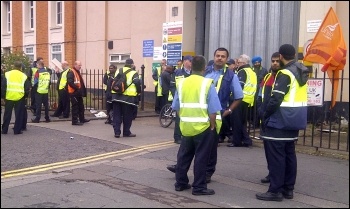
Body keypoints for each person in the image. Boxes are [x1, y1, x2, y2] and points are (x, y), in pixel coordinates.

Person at [167, 48, 243, 184]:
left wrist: (228, 111)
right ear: (213, 57)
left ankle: (206, 173)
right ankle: (187, 174)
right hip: (195, 117)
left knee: (209, 151)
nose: (220, 58)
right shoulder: (204, 72)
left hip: (214, 117)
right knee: (191, 149)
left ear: (227, 59)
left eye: (223, 56)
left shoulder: (231, 76)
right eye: (217, 56)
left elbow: (239, 97)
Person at [256, 44, 309, 201]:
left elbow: (276, 98)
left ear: (280, 56)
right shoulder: (300, 71)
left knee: (276, 157)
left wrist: (265, 115)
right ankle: (288, 189)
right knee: (289, 155)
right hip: (295, 119)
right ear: (294, 54)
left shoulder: (285, 73)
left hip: (280, 120)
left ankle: (275, 191)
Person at [172, 55, 222, 196]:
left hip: (186, 126)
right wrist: (212, 126)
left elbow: (176, 106)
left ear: (191, 66)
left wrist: (184, 118)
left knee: (184, 155)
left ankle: (180, 183)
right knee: (201, 158)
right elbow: (213, 110)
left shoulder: (181, 83)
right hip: (203, 127)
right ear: (204, 67)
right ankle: (199, 187)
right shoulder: (207, 83)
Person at [257, 52, 281, 184]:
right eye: (273, 61)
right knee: (268, 149)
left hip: (275, 118)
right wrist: (260, 109)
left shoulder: (282, 77)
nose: (275, 63)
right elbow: (260, 95)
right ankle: (271, 173)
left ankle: (276, 176)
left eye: (277, 61)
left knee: (275, 151)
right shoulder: (267, 77)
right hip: (265, 117)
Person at [227, 54, 257, 147]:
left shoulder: (242, 71)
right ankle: (246, 140)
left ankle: (237, 141)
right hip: (248, 99)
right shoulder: (251, 71)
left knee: (236, 121)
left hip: (239, 99)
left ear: (243, 63)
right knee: (242, 122)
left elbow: (239, 86)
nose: (237, 64)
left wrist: (232, 97)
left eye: (238, 62)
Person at [111, 58, 141, 138]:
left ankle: (117, 132)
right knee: (127, 116)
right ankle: (126, 132)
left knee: (117, 115)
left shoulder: (119, 70)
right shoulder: (134, 73)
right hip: (128, 98)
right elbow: (137, 83)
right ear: (132, 64)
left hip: (116, 96)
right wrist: (139, 91)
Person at [1, 61, 31, 135]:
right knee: (19, 114)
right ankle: (17, 130)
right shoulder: (23, 76)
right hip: (19, 97)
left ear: (13, 66)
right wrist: (25, 96)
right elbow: (27, 88)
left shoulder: (7, 74)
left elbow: (3, 86)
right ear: (20, 67)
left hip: (9, 96)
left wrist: (3, 96)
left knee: (7, 114)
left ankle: (4, 130)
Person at [172, 55, 192, 144]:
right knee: (179, 118)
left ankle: (185, 135)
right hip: (180, 98)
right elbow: (172, 85)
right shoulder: (178, 72)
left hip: (190, 98)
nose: (192, 63)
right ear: (185, 62)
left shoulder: (193, 73)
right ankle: (177, 136)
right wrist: (177, 96)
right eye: (190, 61)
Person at [67, 60, 90, 126]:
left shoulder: (77, 72)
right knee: (75, 107)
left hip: (78, 93)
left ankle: (82, 119)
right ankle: (74, 121)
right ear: (75, 65)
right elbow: (70, 82)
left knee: (81, 106)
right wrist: (77, 88)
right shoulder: (71, 72)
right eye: (79, 65)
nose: (80, 66)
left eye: (80, 65)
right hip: (74, 93)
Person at [251, 56, 269, 128]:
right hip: (252, 91)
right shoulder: (251, 70)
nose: (257, 63)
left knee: (259, 107)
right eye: (255, 62)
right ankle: (253, 122)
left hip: (260, 90)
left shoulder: (264, 70)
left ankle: (258, 123)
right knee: (252, 108)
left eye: (258, 62)